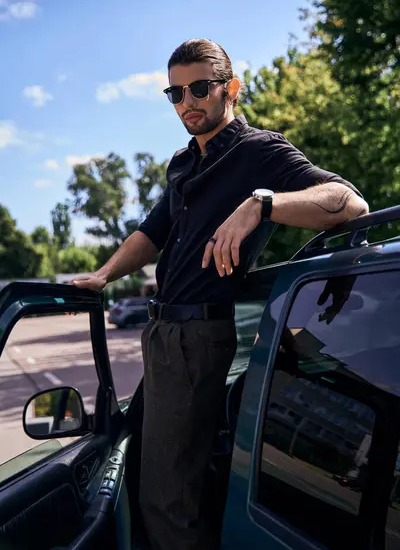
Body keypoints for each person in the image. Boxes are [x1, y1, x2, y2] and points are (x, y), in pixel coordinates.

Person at [70, 38, 368, 549]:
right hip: (163, 333)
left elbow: (349, 203)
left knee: (167, 500)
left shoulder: (260, 152)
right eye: (176, 93)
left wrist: (262, 204)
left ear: (231, 88)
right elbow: (152, 232)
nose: (188, 102)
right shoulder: (183, 163)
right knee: (139, 463)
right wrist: (104, 274)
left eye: (200, 89)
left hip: (198, 337)